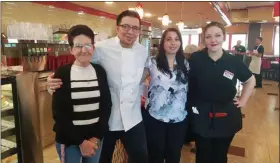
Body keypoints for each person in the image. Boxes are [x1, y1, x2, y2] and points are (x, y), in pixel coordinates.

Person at [47, 10, 149, 163]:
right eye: (126, 26)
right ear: (117, 27)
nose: (130, 32)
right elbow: (80, 63)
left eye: (135, 28)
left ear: (139, 31)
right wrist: (52, 83)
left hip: (132, 118)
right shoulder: (101, 48)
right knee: (103, 159)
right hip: (107, 120)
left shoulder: (142, 51)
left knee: (141, 158)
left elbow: (146, 70)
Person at [188, 22, 255, 163]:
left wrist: (243, 100)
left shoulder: (233, 61)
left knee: (220, 156)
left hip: (226, 117)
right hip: (201, 116)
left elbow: (250, 80)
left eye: (217, 35)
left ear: (224, 37)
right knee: (202, 155)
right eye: (208, 37)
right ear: (204, 39)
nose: (213, 40)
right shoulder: (196, 58)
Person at [52, 25, 112, 163]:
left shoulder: (99, 71)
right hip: (69, 141)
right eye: (78, 46)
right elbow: (59, 113)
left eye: (88, 45)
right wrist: (81, 142)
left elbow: (106, 106)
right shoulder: (63, 73)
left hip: (95, 138)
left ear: (93, 47)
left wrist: (95, 138)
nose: (84, 50)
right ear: (71, 49)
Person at [141, 28, 189, 163]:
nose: (173, 43)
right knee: (155, 154)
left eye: (176, 39)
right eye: (169, 39)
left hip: (179, 119)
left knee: (174, 155)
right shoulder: (152, 62)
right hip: (155, 118)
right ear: (163, 43)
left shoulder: (185, 64)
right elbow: (138, 82)